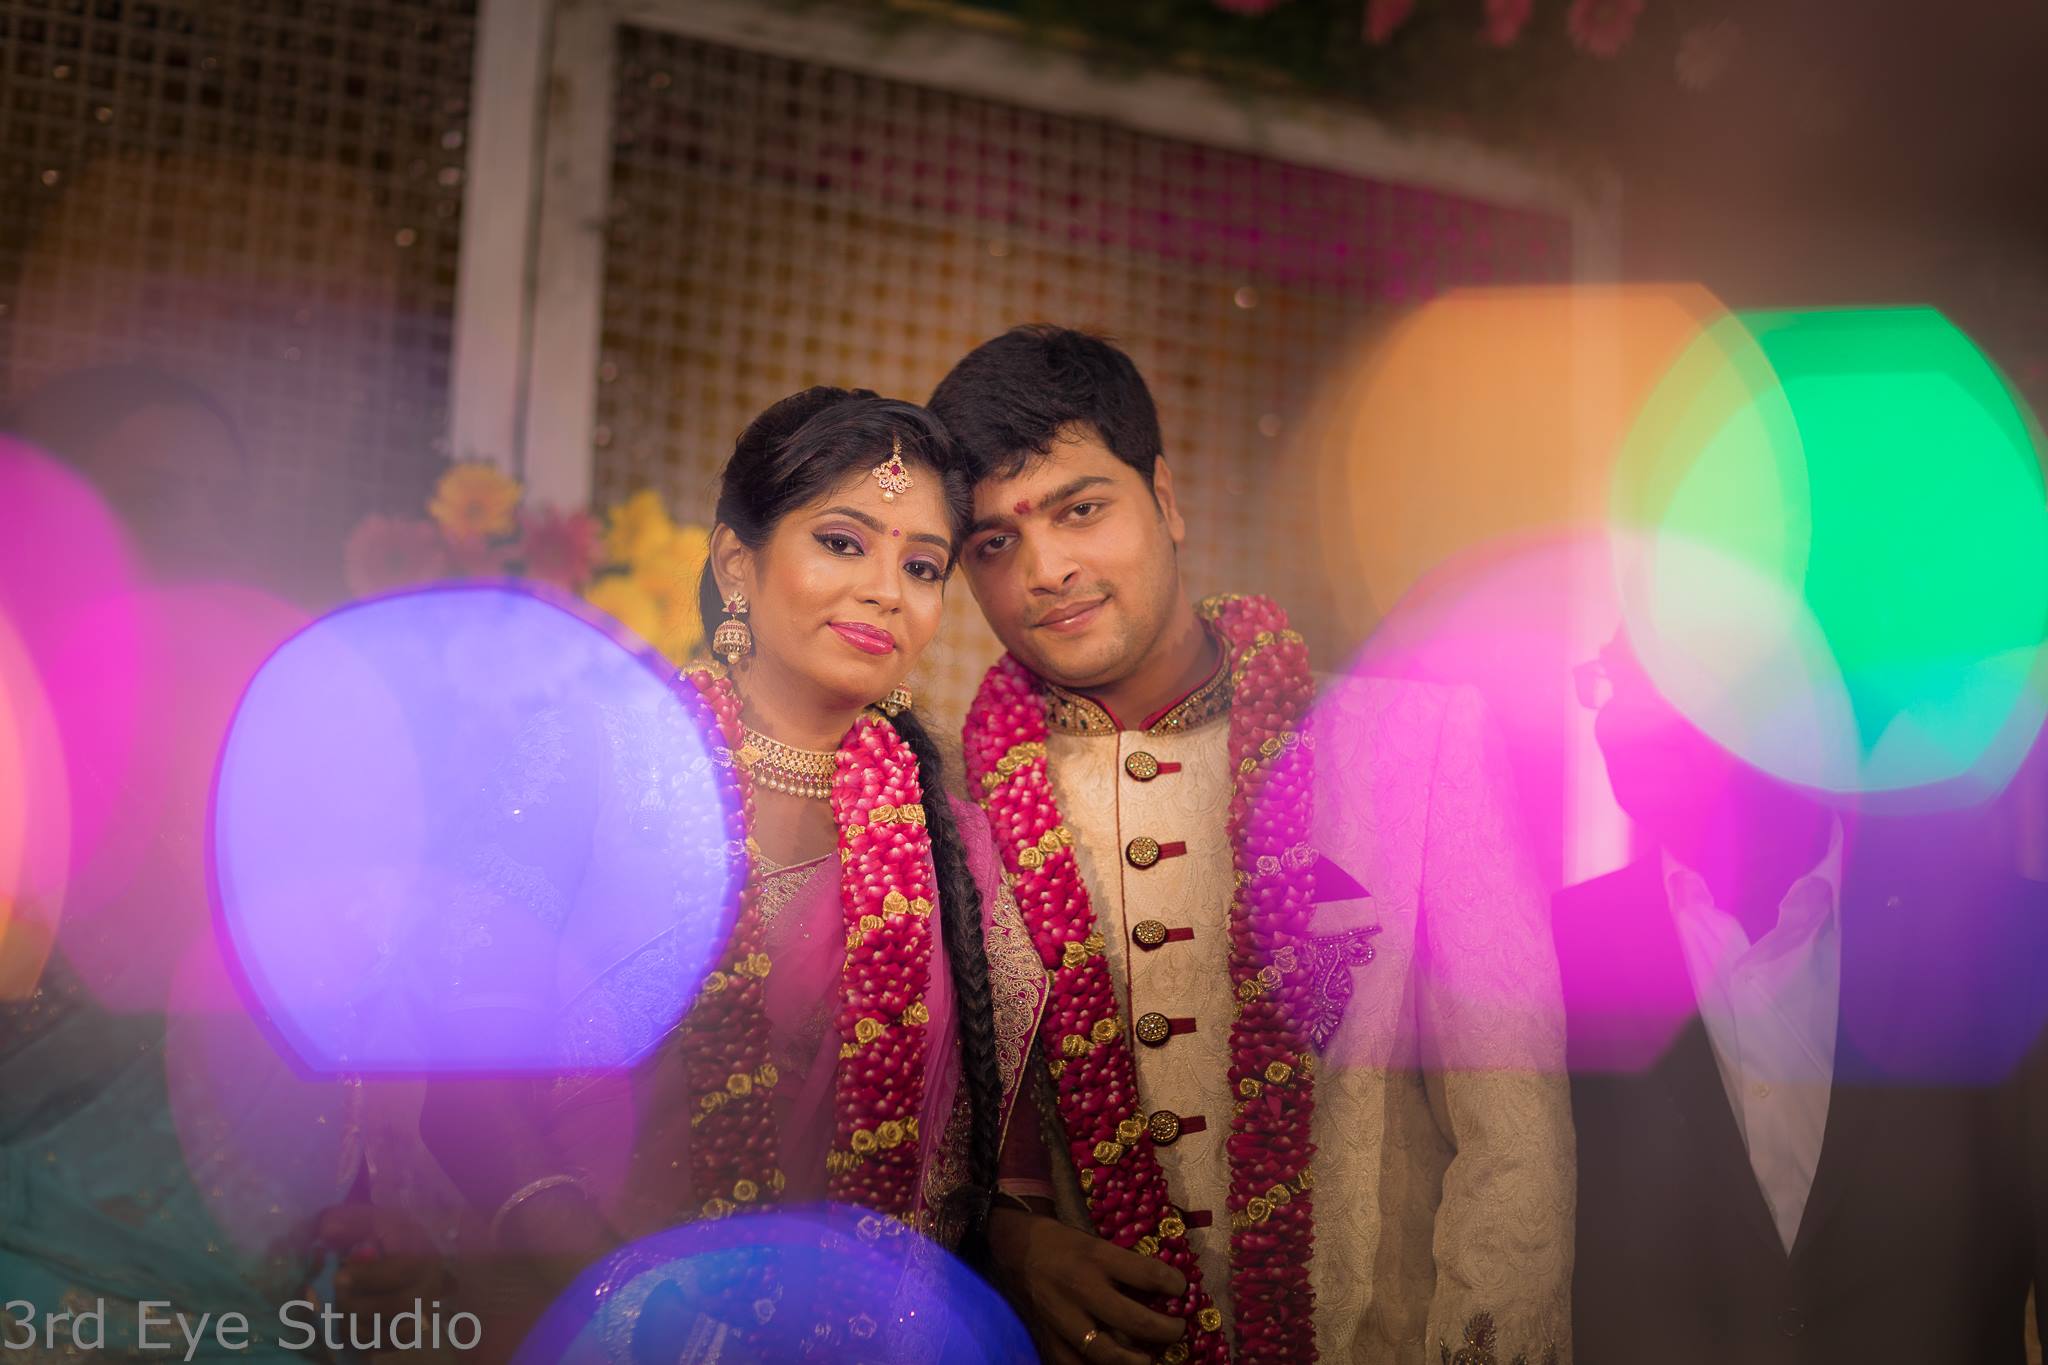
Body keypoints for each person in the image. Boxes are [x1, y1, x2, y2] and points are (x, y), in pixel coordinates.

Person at [929, 326, 1574, 1364]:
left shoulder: (1403, 749)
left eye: (1080, 509)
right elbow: (935, 1153)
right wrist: (1010, 1246)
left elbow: (1515, 1154)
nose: (1046, 569)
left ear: (1166, 500)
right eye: (993, 544)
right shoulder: (957, 819)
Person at [416, 388, 1049, 1360]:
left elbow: (990, 1175)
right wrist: (634, 1303)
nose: (886, 588)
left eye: (921, 565)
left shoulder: (959, 855)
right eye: (842, 542)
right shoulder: (588, 763)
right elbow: (460, 1083)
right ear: (735, 564)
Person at [1554, 631, 2048, 1364]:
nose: (1621, 718)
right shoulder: (1558, 951)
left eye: (1669, 679)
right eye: (1616, 679)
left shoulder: (2000, 941)